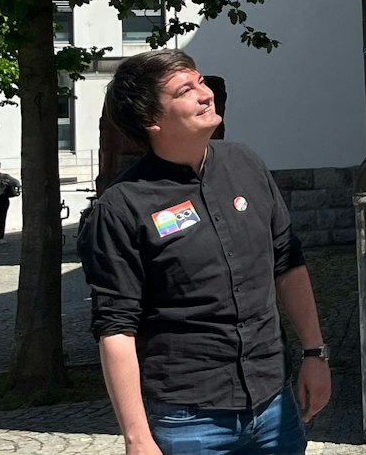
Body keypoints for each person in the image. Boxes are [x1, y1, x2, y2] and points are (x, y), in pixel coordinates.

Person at [80, 48, 331, 455]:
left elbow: (288, 264)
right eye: (185, 89)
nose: (205, 93)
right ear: (151, 120)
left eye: (201, 81)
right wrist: (137, 438)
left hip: (274, 405)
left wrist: (315, 353)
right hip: (189, 420)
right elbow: (116, 328)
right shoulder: (122, 207)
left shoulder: (246, 164)